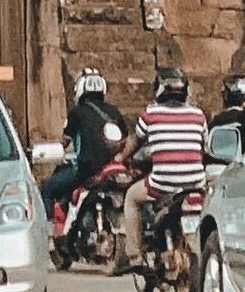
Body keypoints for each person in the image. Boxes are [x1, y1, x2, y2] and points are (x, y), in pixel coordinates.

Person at [126, 66, 210, 271]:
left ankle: (134, 256)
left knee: (131, 198)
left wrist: (121, 157)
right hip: (195, 183)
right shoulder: (198, 115)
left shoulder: (149, 114)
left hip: (162, 182)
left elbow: (135, 143)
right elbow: (205, 147)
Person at [46, 70, 128, 239]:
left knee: (46, 188)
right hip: (114, 170)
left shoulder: (77, 113)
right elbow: (125, 139)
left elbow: (65, 143)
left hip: (86, 170)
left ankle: (50, 233)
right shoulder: (114, 112)